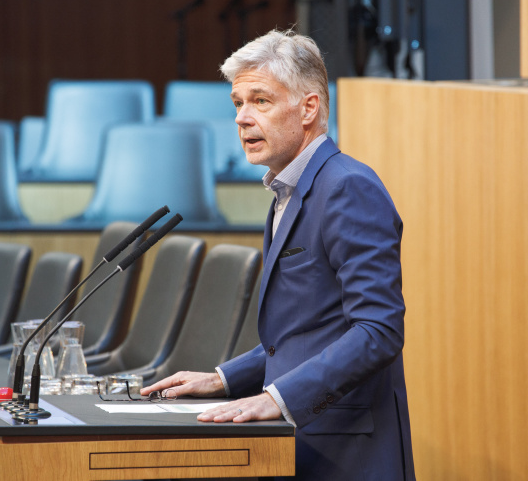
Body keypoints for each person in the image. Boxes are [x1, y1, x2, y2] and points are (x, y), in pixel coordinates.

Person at [141, 29, 415, 481]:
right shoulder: (287, 191)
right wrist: (224, 379)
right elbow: (305, 331)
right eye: (237, 104)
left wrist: (279, 398)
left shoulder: (347, 187)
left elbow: (378, 330)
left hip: (344, 451)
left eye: (260, 101)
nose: (242, 119)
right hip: (295, 444)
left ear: (308, 108)